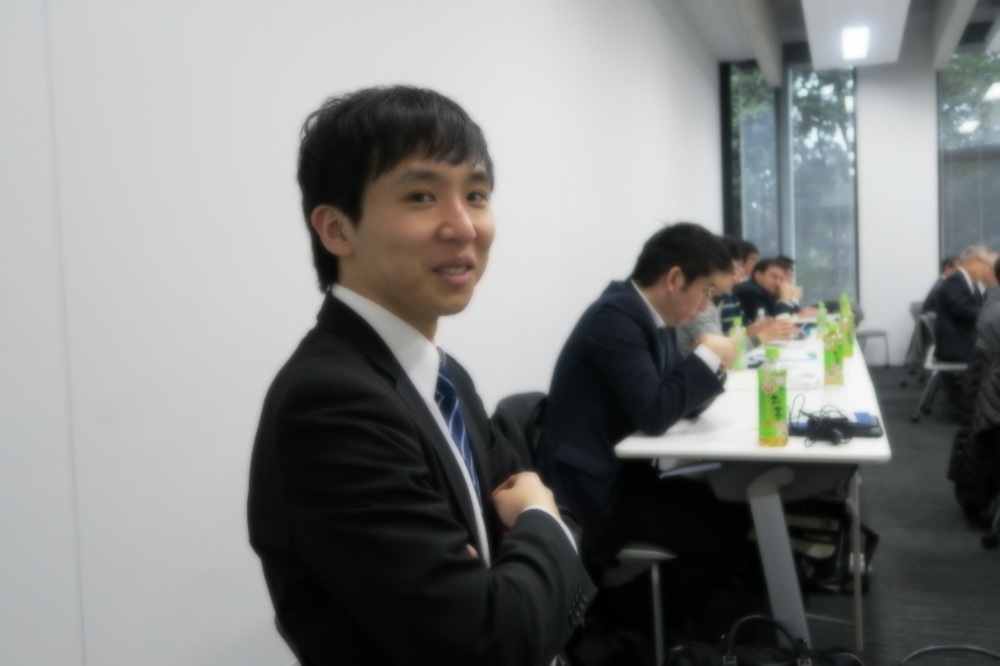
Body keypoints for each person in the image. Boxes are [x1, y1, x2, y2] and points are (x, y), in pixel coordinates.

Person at [247, 85, 594, 666]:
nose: (464, 227)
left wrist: (525, 550)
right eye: (422, 196)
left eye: (476, 194)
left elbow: (560, 524)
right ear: (336, 230)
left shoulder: (444, 378)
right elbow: (493, 643)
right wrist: (537, 519)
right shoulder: (331, 404)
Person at [536, 222, 752, 636]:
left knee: (729, 512)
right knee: (720, 538)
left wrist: (712, 365)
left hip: (626, 475)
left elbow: (673, 399)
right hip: (593, 492)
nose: (706, 306)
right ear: (675, 279)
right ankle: (617, 615)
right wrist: (706, 358)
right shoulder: (615, 318)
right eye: (706, 291)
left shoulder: (650, 318)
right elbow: (655, 412)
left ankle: (674, 618)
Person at [677, 236, 797, 356]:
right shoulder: (700, 305)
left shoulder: (718, 299)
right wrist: (762, 337)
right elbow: (720, 353)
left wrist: (747, 333)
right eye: (732, 270)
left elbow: (720, 340)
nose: (738, 276)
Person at [934, 245, 993, 362]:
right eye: (985, 265)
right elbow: (961, 310)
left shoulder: (968, 282)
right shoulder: (954, 281)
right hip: (956, 345)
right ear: (973, 261)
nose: (986, 270)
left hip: (964, 339)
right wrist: (990, 316)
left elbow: (978, 308)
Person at [731, 258, 789, 322]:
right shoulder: (751, 292)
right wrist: (784, 299)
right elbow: (770, 321)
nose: (778, 283)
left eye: (781, 279)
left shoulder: (767, 292)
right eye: (774, 277)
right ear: (758, 276)